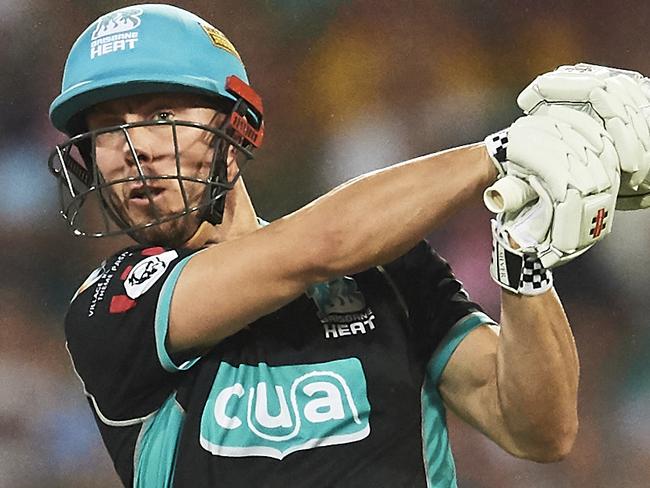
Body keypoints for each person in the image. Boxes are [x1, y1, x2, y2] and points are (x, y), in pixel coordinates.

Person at [48, 4, 627, 488]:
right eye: (106, 130)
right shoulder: (111, 306)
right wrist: (504, 152)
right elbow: (319, 245)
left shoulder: (388, 268)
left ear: (236, 127)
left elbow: (539, 429)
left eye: (162, 114)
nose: (131, 147)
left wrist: (524, 263)